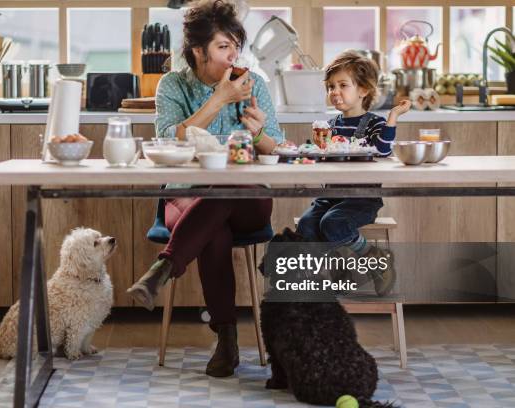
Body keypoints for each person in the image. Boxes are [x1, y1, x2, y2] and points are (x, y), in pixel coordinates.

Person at [126, 0, 283, 378]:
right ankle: (227, 340)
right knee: (215, 230)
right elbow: (166, 141)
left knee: (223, 196)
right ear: (199, 51)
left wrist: (258, 131)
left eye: (235, 46)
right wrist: (218, 101)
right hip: (185, 194)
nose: (233, 56)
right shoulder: (173, 85)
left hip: (248, 197)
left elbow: (277, 148)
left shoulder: (254, 83)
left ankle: (165, 267)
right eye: (223, 47)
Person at [296, 50, 411, 296]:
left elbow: (382, 151)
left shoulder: (373, 124)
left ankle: (376, 260)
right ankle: (341, 269)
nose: (334, 92)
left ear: (363, 90)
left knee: (333, 223)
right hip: (330, 196)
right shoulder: (330, 125)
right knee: (307, 225)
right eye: (330, 87)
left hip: (361, 198)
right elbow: (320, 155)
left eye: (342, 85)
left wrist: (393, 117)